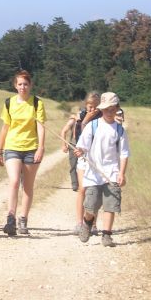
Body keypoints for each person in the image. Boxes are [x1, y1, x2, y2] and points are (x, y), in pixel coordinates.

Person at [74, 92, 130, 247]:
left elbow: (124, 154)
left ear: (117, 108)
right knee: (91, 205)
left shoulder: (120, 131)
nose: (109, 112)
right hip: (93, 174)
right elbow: (82, 145)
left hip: (111, 173)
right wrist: (80, 150)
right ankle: (87, 222)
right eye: (105, 109)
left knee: (110, 205)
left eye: (112, 109)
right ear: (101, 109)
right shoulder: (93, 126)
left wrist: (122, 173)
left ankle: (107, 235)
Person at [0, 70, 46, 236]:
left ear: (30, 85)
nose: (23, 87)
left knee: (28, 186)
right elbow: (5, 127)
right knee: (14, 181)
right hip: (12, 147)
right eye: (20, 84)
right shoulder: (9, 103)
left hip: (31, 148)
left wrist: (41, 147)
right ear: (15, 86)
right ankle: (11, 216)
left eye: (25, 84)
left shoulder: (37, 103)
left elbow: (40, 126)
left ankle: (23, 218)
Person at [60, 92, 102, 235]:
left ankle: (93, 224)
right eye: (90, 107)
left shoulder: (102, 118)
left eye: (95, 107)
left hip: (97, 158)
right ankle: (79, 223)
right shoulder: (80, 116)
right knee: (82, 190)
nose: (92, 110)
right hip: (82, 156)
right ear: (86, 105)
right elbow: (80, 135)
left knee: (95, 192)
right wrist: (84, 119)